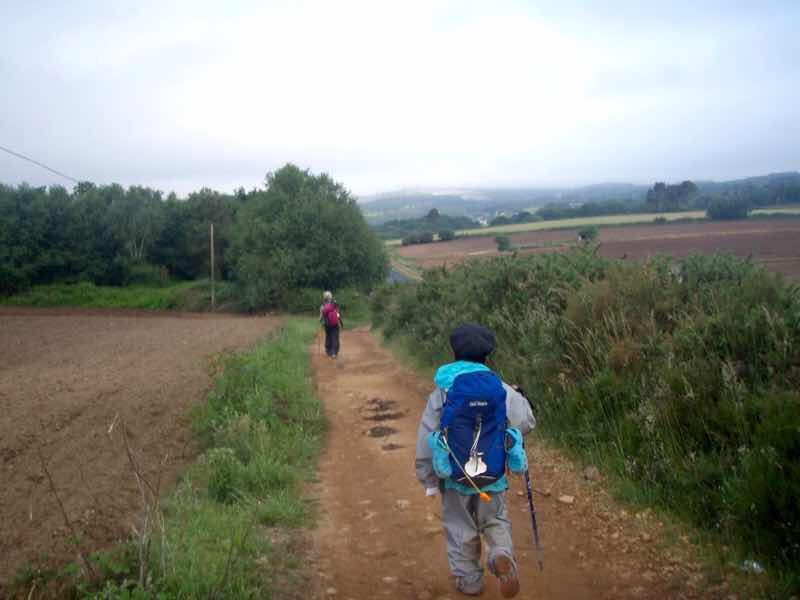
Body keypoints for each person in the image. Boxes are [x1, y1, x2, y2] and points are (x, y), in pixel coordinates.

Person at [415, 323, 535, 598]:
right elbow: (526, 422)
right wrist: (521, 396)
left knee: (460, 528)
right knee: (496, 521)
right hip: (493, 477)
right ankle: (501, 555)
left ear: (453, 351)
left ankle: (470, 582)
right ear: (488, 354)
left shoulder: (444, 391)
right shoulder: (499, 388)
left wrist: (428, 478)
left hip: (454, 479)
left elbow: (426, 438)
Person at [319, 290, 342, 358]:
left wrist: (320, 321)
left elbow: (321, 317)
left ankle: (328, 351)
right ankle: (334, 352)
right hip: (335, 324)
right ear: (331, 297)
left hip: (327, 324)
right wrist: (338, 321)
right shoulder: (334, 304)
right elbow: (338, 314)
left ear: (324, 297)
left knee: (328, 336)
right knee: (335, 337)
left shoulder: (322, 306)